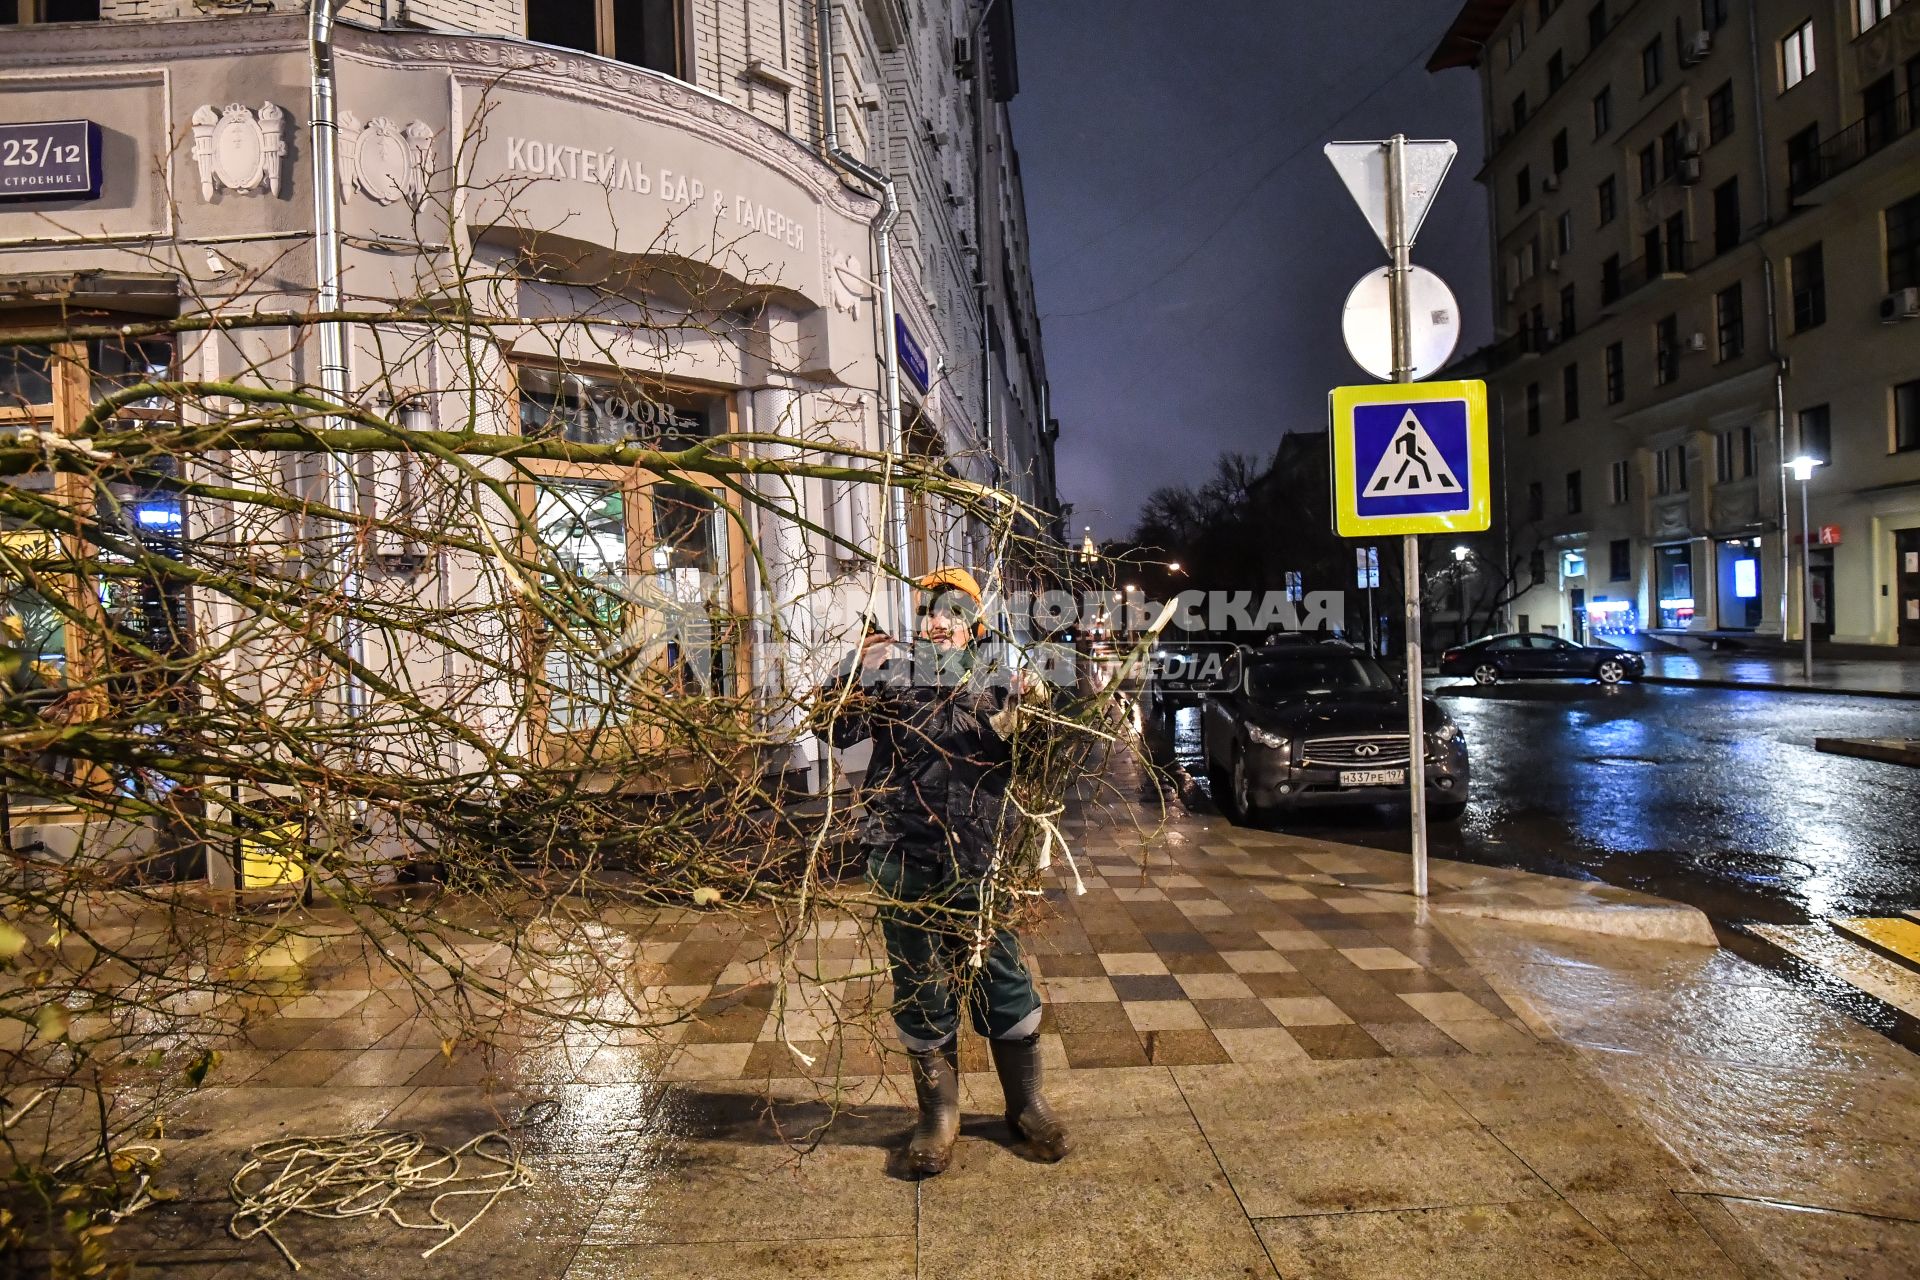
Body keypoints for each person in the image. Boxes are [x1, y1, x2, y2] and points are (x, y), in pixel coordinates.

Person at [822, 567, 1067, 1177]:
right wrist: (851, 672)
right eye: (929, 610)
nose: (936, 622)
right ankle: (939, 1115)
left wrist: (1041, 703)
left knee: (1000, 972)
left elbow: (1049, 747)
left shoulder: (1001, 679)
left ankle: (1026, 1104)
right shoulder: (894, 675)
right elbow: (836, 727)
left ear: (974, 621)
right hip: (900, 851)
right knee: (920, 980)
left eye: (951, 612)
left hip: (977, 856)